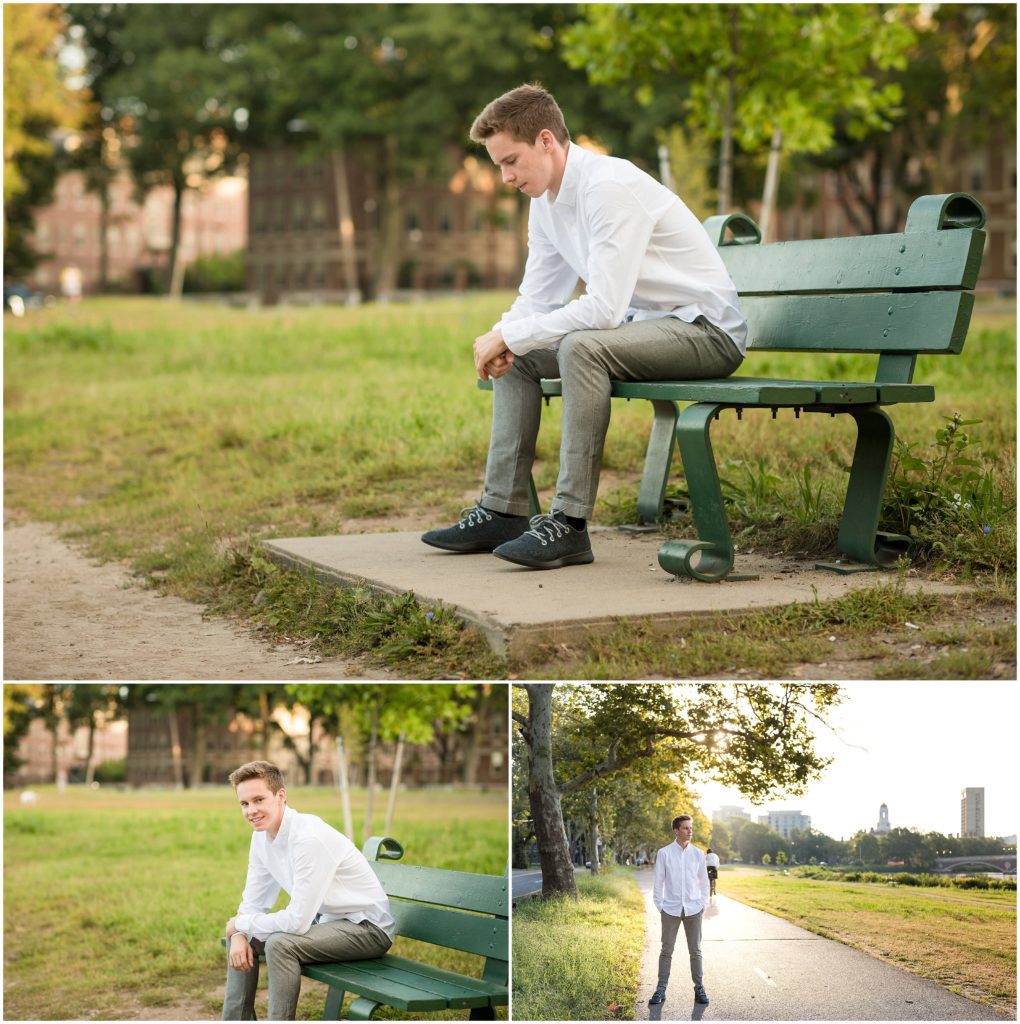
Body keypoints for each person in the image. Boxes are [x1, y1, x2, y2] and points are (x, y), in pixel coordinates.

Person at [421, 83, 746, 570]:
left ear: (546, 140)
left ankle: (569, 525)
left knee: (580, 347)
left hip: (705, 333)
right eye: (499, 166)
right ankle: (502, 510)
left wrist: (511, 334)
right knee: (524, 355)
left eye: (511, 161)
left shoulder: (608, 187)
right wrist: (502, 337)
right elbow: (539, 297)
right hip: (645, 332)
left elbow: (604, 310)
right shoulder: (546, 200)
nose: (506, 177)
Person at [221, 761, 395, 1021]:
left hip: (367, 929)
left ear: (281, 796)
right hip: (326, 923)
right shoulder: (261, 836)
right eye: (244, 804)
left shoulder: (308, 838)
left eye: (259, 800)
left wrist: (240, 923)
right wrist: (239, 932)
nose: (251, 811)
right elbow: (254, 899)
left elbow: (297, 922)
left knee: (280, 944)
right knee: (247, 938)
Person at [650, 814, 710, 1006]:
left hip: (694, 909)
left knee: (696, 951)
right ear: (676, 830)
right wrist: (660, 906)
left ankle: (699, 989)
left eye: (691, 828)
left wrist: (703, 904)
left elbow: (704, 881)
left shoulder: (698, 854)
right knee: (666, 951)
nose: (690, 831)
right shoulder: (664, 853)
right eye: (685, 828)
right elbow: (658, 882)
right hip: (670, 909)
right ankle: (661, 989)